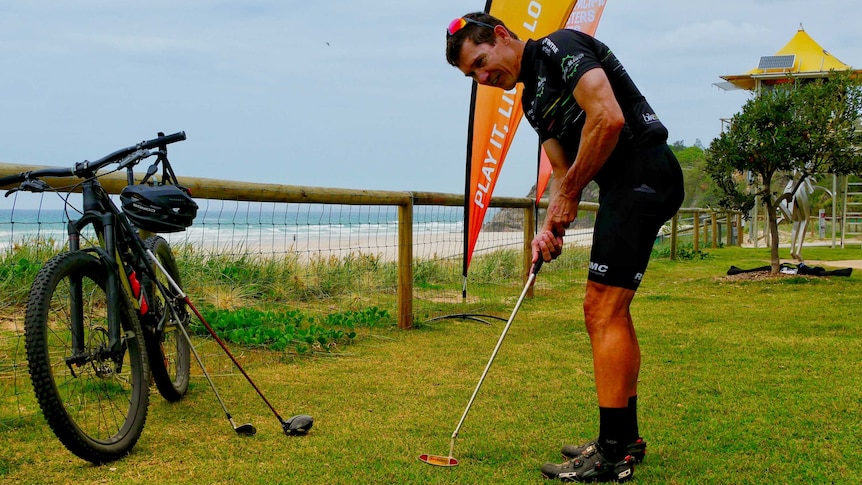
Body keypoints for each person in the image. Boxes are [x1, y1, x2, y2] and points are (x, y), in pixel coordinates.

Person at [446, 12, 684, 483]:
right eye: (472, 76)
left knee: (600, 309)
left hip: (643, 172)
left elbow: (608, 118)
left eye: (480, 62)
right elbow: (560, 170)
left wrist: (573, 193)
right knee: (611, 309)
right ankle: (625, 437)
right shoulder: (530, 99)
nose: (482, 77)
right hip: (621, 186)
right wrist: (548, 228)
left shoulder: (559, 47)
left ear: (500, 35)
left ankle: (613, 454)